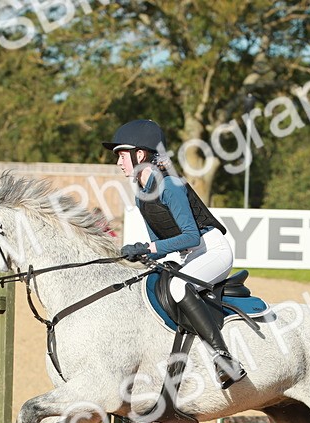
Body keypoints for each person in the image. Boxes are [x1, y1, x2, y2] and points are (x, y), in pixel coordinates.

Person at [103, 119, 245, 389]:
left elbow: (190, 237)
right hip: (190, 255)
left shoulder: (171, 186)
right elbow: (161, 242)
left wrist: (150, 249)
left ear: (140, 155)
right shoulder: (140, 196)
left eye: (121, 155)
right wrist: (144, 255)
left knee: (179, 286)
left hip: (212, 250)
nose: (119, 162)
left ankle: (223, 357)